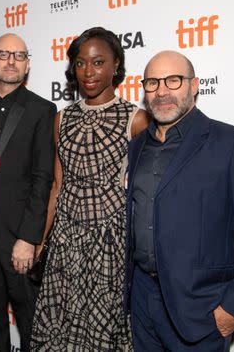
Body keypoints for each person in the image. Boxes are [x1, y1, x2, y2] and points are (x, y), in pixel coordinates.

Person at [125, 50, 234, 351]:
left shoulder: (233, 143)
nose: (162, 91)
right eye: (153, 83)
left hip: (200, 309)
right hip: (143, 300)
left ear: (195, 85)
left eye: (174, 80)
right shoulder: (137, 146)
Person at [31, 27, 149, 351]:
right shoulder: (62, 118)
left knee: (102, 329)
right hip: (66, 239)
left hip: (110, 241)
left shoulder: (136, 119)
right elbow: (58, 184)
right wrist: (43, 240)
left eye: (98, 63)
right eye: (80, 63)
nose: (88, 72)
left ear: (116, 65)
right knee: (60, 326)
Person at [0, 33, 55, 351]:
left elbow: (43, 178)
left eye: (19, 55)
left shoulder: (41, 109)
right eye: (4, 54)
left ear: (28, 65)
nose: (11, 61)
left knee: (30, 321)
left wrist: (29, 238)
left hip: (18, 239)